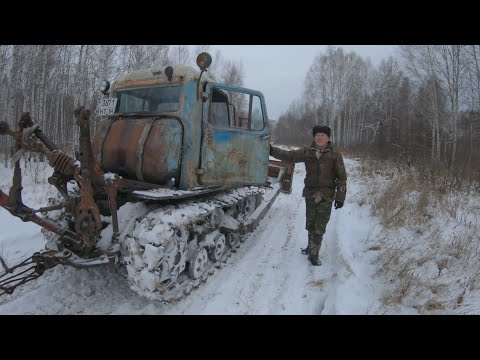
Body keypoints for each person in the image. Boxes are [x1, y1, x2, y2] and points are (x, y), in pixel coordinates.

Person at [270, 125, 347, 266]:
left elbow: (342, 177)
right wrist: (271, 150)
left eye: (322, 135)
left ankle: (314, 255)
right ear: (314, 137)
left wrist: (340, 197)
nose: (319, 137)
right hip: (311, 194)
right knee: (311, 223)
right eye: (317, 135)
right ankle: (311, 246)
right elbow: (289, 156)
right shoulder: (307, 152)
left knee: (320, 226)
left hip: (326, 195)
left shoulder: (335, 154)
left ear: (328, 138)